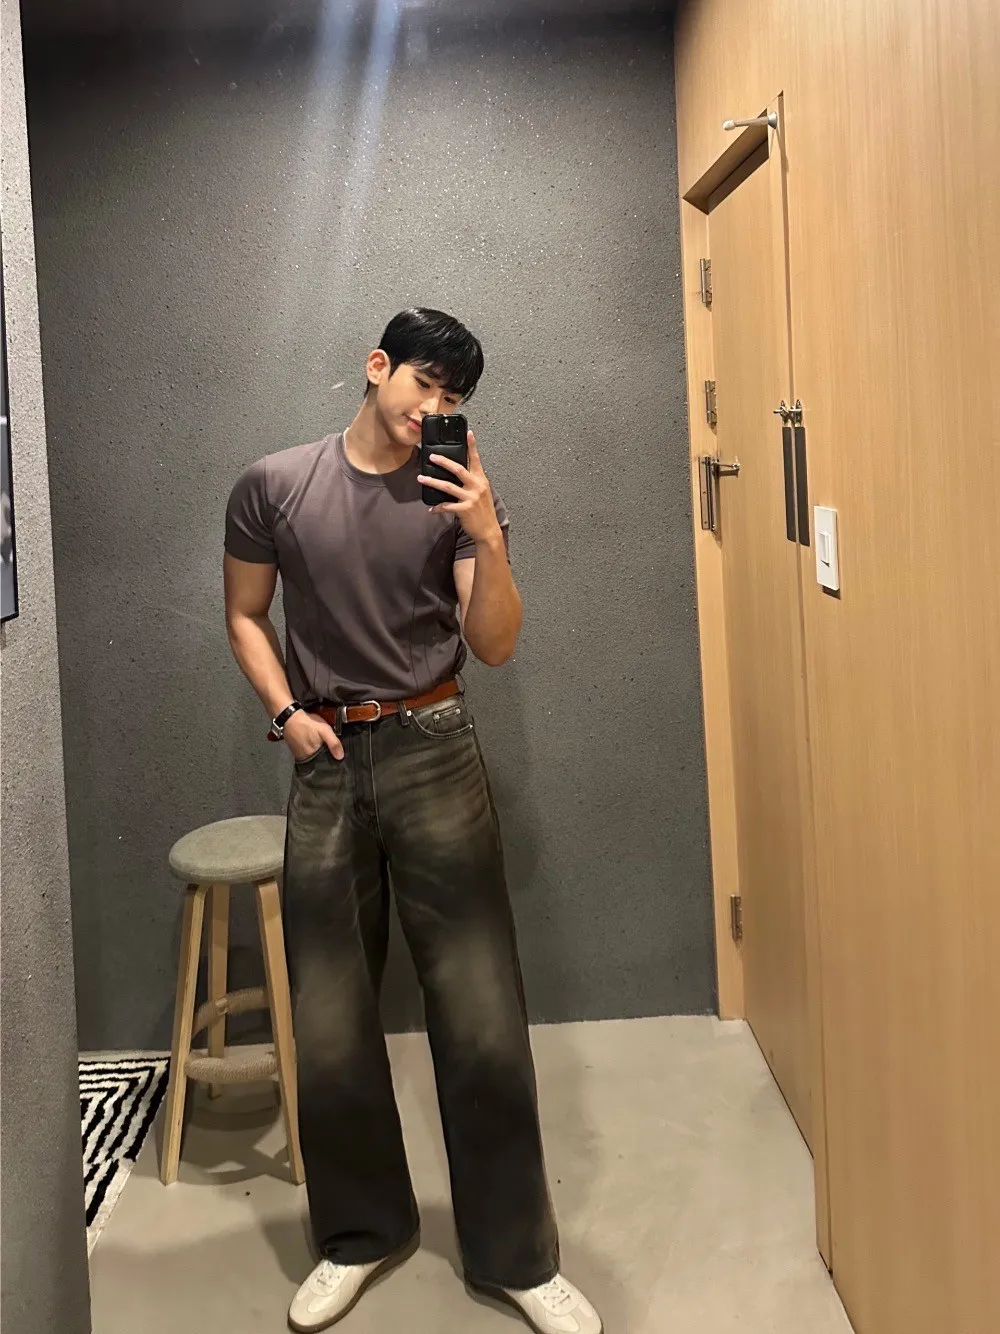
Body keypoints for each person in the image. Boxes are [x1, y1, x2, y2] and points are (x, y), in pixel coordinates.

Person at [223, 308, 602, 1334]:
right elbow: (246, 614)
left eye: (453, 398)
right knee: (331, 1015)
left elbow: (497, 645)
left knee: (480, 1011)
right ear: (377, 365)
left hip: (434, 742)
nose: (433, 407)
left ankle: (517, 1255)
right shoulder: (274, 485)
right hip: (326, 759)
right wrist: (285, 714)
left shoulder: (455, 492)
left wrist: (486, 533)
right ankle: (358, 1235)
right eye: (423, 384)